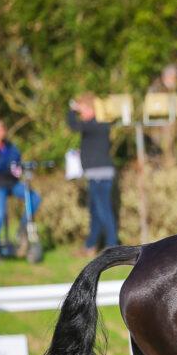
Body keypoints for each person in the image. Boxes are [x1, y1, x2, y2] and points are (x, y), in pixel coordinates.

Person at [0, 118, 41, 261]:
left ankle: (21, 229)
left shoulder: (9, 146)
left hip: (12, 183)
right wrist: (8, 162)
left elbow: (17, 159)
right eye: (0, 128)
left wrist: (9, 163)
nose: (4, 131)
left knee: (34, 198)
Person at [68, 94, 118, 256]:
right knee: (95, 211)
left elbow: (73, 125)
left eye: (82, 109)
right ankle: (90, 245)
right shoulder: (99, 125)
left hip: (99, 174)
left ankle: (113, 246)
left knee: (103, 210)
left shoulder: (93, 124)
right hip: (98, 174)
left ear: (90, 109)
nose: (80, 113)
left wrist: (71, 110)